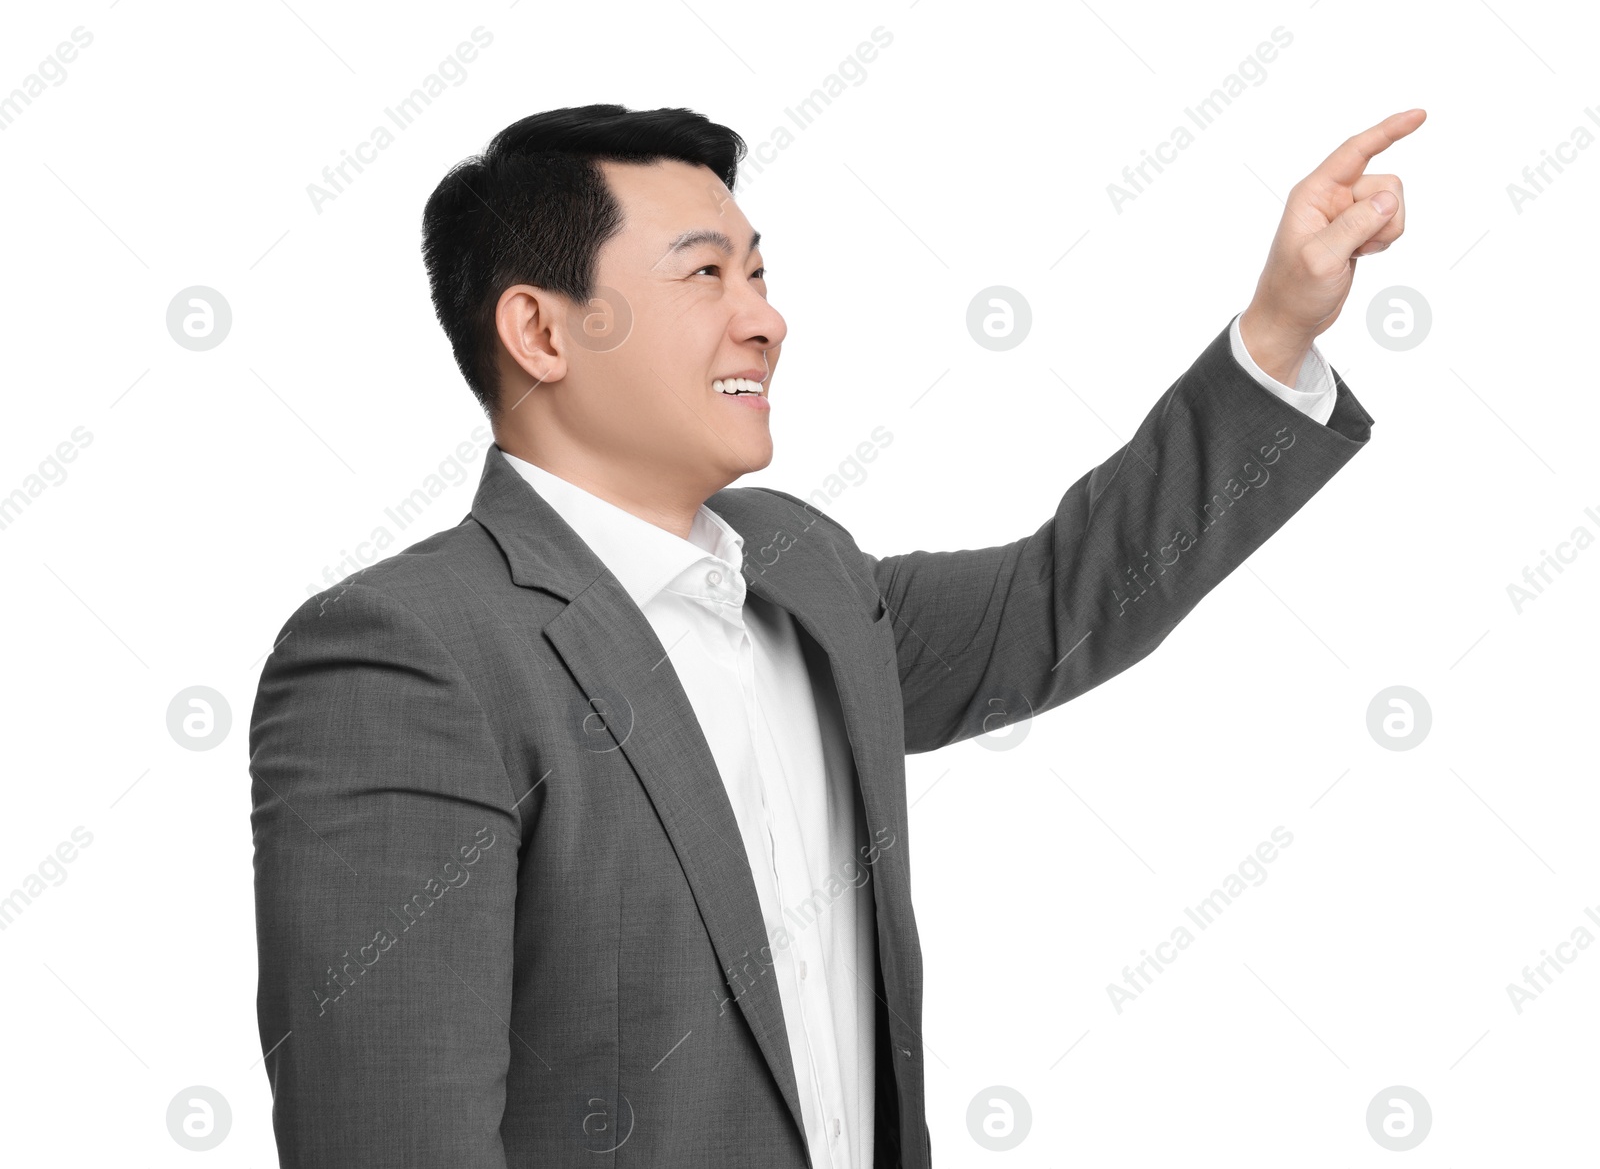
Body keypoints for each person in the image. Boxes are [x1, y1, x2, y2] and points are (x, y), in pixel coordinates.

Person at [249, 102, 1423, 1166]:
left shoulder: (800, 572)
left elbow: (1061, 603)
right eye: (703, 274)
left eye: (757, 273)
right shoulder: (409, 655)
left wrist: (1275, 330)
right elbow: (389, 1135)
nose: (764, 319)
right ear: (542, 334)